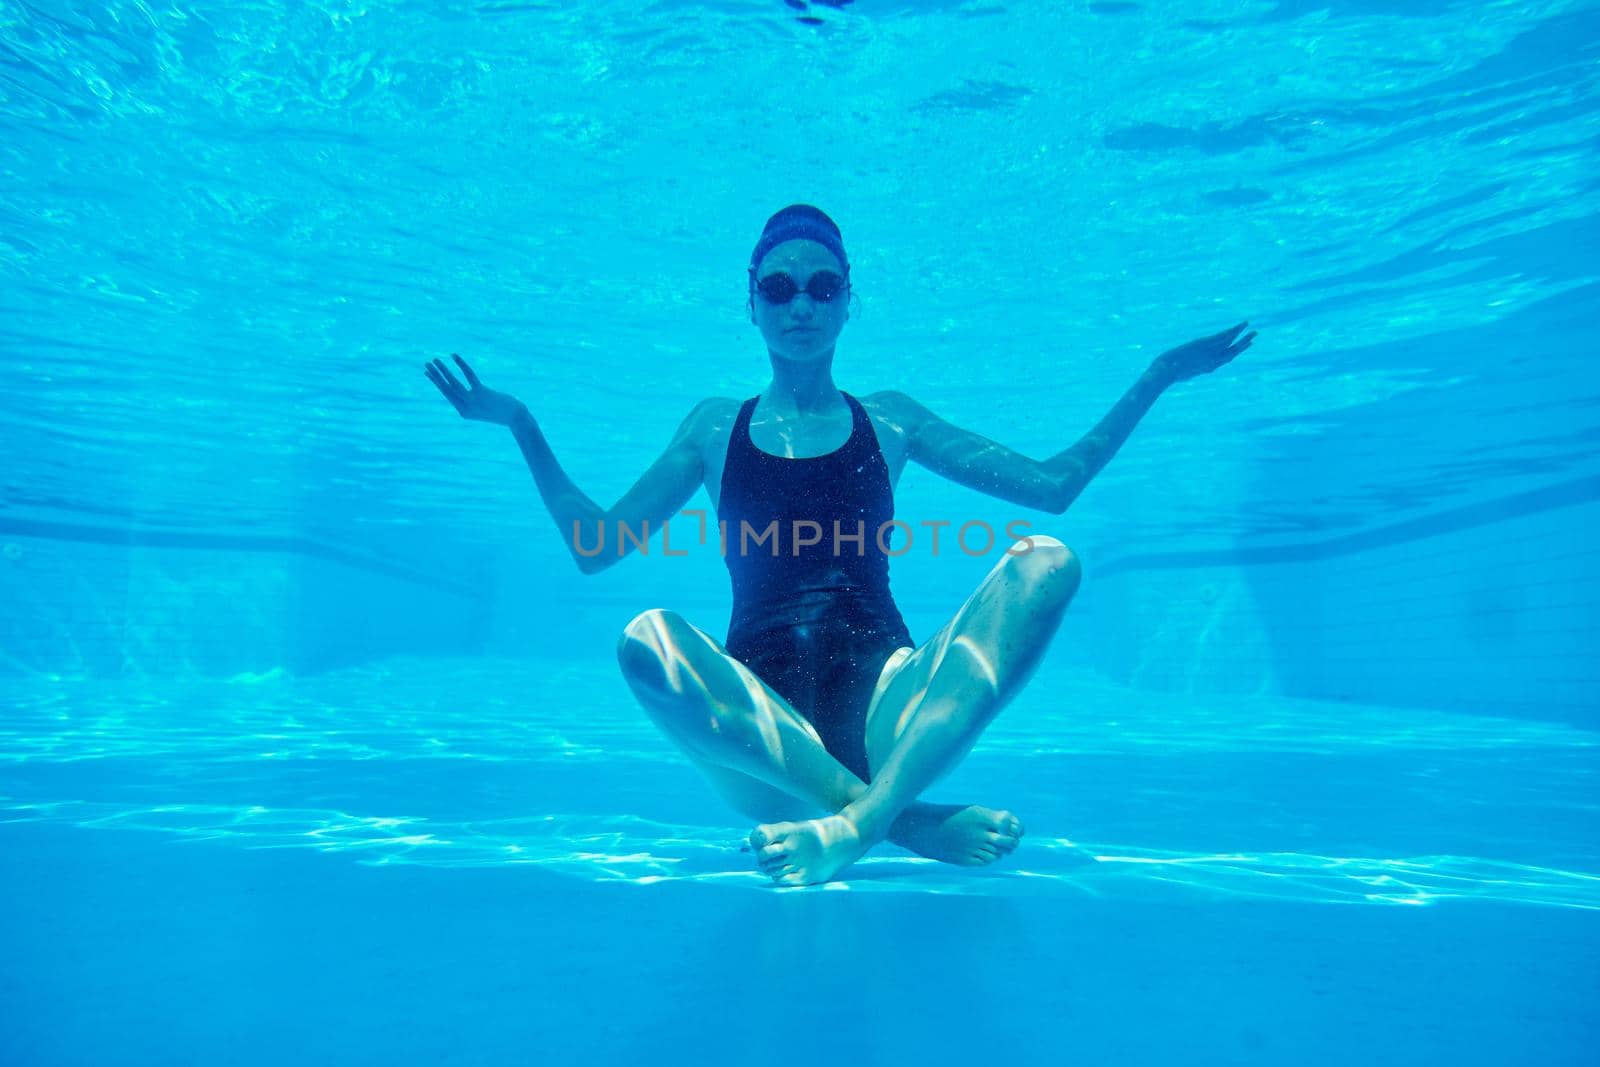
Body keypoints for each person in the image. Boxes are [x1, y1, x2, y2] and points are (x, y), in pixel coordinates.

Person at [426, 204, 1254, 886]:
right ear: (749, 300)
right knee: (646, 639)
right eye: (779, 287)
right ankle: (896, 819)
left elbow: (1054, 487)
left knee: (1048, 562)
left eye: (821, 287)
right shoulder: (713, 428)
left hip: (893, 705)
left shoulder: (892, 418)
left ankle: (855, 822)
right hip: (759, 733)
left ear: (848, 299)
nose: (801, 305)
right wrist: (521, 425)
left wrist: (1157, 375)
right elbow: (594, 544)